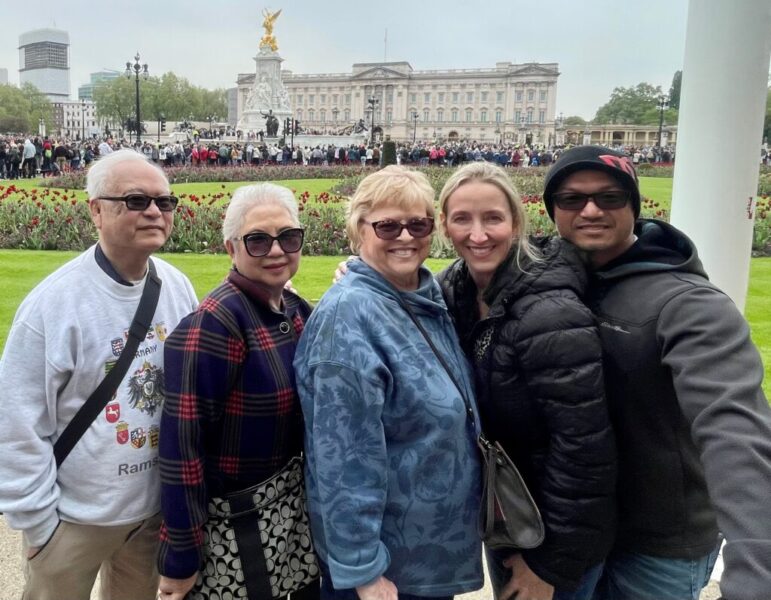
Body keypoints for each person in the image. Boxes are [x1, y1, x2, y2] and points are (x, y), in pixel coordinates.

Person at [542, 145, 771, 600]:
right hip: (571, 534)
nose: (590, 210)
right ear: (553, 211)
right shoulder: (552, 276)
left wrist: (759, 567)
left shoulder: (691, 305)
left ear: (633, 205)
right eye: (571, 199)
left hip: (656, 544)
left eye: (609, 198)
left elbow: (734, 432)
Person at [0, 149, 198, 600]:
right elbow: (14, 421)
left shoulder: (177, 285)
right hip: (74, 519)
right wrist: (39, 524)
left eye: (164, 202)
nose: (153, 211)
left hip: (151, 514)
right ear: (96, 210)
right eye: (134, 200)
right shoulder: (54, 304)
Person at [294, 166, 483, 600]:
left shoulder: (421, 295)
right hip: (388, 569)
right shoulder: (349, 317)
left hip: (425, 552)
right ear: (359, 230)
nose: (405, 236)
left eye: (418, 224)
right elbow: (342, 457)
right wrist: (363, 570)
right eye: (387, 225)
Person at [435, 162, 616, 600]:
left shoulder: (550, 313)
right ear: (444, 225)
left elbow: (584, 449)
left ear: (516, 222)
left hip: (553, 534)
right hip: (512, 515)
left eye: (492, 218)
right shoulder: (454, 289)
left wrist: (549, 565)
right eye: (462, 219)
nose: (478, 235)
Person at [156, 183, 318, 600]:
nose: (277, 250)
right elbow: (182, 450)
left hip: (287, 522)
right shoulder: (214, 323)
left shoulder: (296, 310)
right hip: (237, 526)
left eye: (289, 237)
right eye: (258, 240)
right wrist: (181, 558)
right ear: (232, 248)